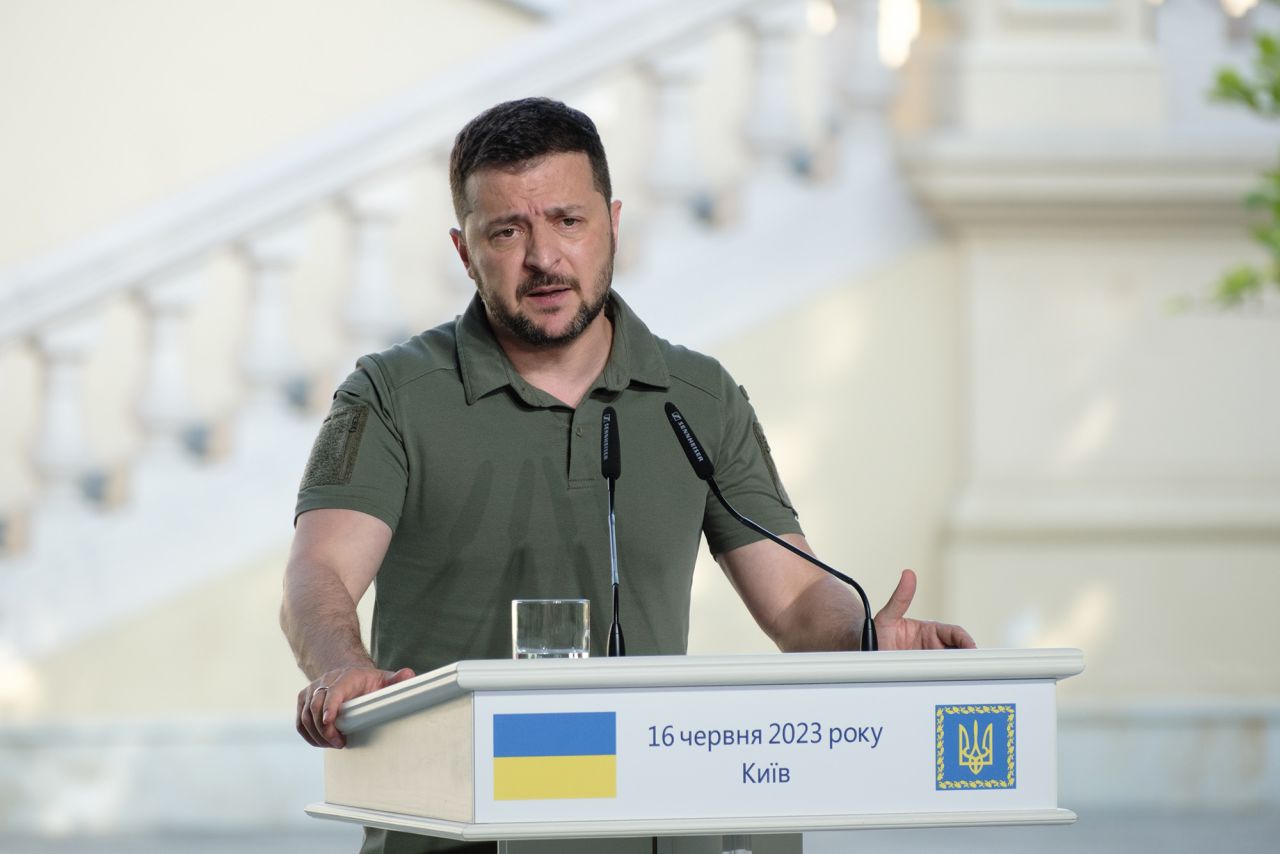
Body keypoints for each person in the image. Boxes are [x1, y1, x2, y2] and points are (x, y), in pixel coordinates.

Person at [281, 97, 974, 854]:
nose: (544, 258)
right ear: (463, 250)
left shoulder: (698, 398)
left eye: (567, 221)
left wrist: (862, 641)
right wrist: (342, 667)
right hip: (454, 829)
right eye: (507, 232)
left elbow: (800, 594)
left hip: (656, 830)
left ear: (612, 222)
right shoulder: (390, 394)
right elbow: (318, 572)